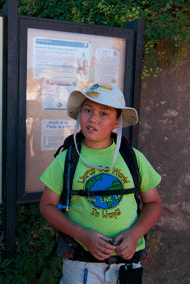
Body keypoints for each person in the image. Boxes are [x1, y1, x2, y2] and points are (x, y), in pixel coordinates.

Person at [39, 84, 162, 284]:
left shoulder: (133, 158)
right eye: (88, 110)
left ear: (116, 122)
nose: (93, 119)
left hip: (127, 266)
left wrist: (135, 234)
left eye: (104, 113)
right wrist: (82, 235)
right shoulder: (67, 159)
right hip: (81, 267)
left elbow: (154, 204)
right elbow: (47, 206)